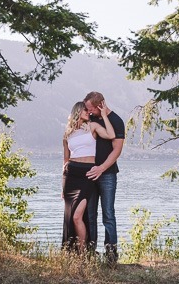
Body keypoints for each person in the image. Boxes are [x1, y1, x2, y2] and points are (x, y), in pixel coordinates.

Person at [62, 100, 115, 252]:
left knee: (77, 216)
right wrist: (62, 186)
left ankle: (83, 253)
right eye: (85, 110)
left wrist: (104, 115)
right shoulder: (67, 134)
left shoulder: (92, 126)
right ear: (78, 111)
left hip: (87, 174)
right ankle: (75, 254)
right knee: (70, 216)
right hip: (70, 175)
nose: (89, 112)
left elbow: (111, 134)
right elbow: (65, 160)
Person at [84, 91, 125, 264]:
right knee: (90, 215)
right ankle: (90, 253)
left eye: (90, 108)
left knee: (108, 214)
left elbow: (117, 150)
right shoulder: (90, 120)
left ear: (100, 105)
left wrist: (101, 168)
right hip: (89, 174)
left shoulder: (116, 121)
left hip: (107, 174)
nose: (89, 112)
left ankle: (111, 255)